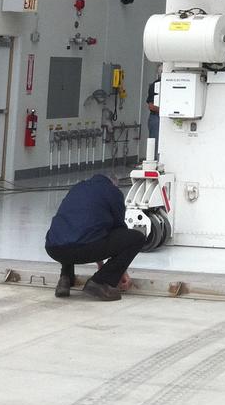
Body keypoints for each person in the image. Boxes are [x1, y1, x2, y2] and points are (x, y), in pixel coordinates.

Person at [45, 173, 145, 301]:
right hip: (86, 248)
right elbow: (119, 230)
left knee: (69, 232)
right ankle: (100, 282)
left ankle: (65, 278)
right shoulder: (113, 192)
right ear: (114, 184)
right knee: (136, 238)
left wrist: (100, 262)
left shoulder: (77, 188)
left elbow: (84, 228)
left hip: (54, 248)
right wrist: (119, 270)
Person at [146, 72, 161, 158]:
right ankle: (154, 161)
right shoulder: (155, 85)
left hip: (163, 117)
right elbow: (151, 106)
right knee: (154, 145)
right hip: (156, 117)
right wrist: (165, 111)